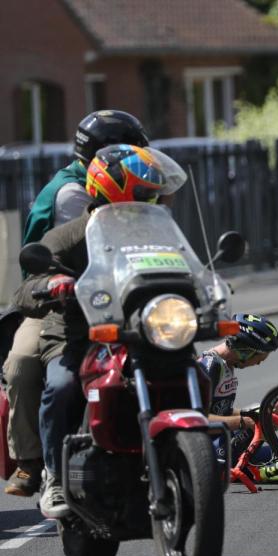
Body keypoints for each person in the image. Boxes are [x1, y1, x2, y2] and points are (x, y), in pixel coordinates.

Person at [13, 144, 184, 518]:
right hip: (80, 336)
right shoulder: (73, 234)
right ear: (113, 190)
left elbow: (188, 268)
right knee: (60, 387)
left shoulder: (159, 232)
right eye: (144, 193)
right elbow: (26, 287)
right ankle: (55, 478)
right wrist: (52, 285)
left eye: (154, 193)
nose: (153, 200)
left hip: (144, 331)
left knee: (195, 371)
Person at [3, 110, 148, 497]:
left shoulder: (139, 204)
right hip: (59, 301)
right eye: (129, 152)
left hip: (118, 302)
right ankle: (36, 466)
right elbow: (87, 255)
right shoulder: (76, 194)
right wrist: (56, 285)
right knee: (25, 367)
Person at [198, 313, 278, 465]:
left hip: (225, 439)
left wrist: (253, 414)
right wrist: (244, 421)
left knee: (271, 408)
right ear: (247, 350)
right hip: (213, 452)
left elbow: (221, 411)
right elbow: (198, 420)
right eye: (260, 358)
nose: (259, 363)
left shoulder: (226, 364)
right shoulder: (210, 367)